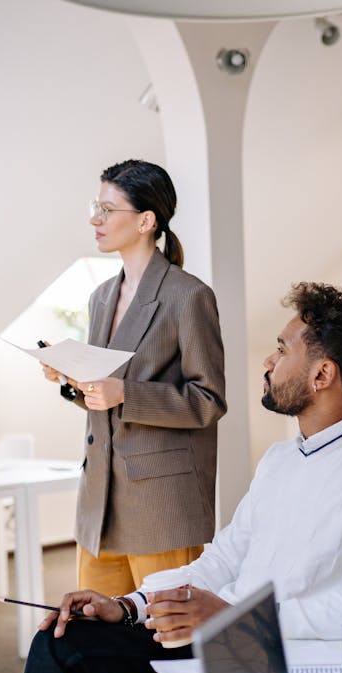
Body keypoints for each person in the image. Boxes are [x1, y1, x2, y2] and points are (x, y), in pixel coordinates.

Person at [18, 282, 342, 673]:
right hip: (222, 636)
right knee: (64, 640)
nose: (269, 362)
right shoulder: (279, 459)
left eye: (282, 350)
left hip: (280, 655)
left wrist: (238, 617)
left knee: (74, 656)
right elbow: (223, 560)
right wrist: (128, 606)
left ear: (322, 375)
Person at [42, 160, 226, 598]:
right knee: (95, 628)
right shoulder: (101, 297)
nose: (95, 219)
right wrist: (72, 380)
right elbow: (103, 393)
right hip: (99, 502)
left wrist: (126, 392)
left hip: (162, 506)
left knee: (165, 630)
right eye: (95, 207)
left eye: (107, 210)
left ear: (146, 221)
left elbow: (208, 400)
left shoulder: (189, 296)